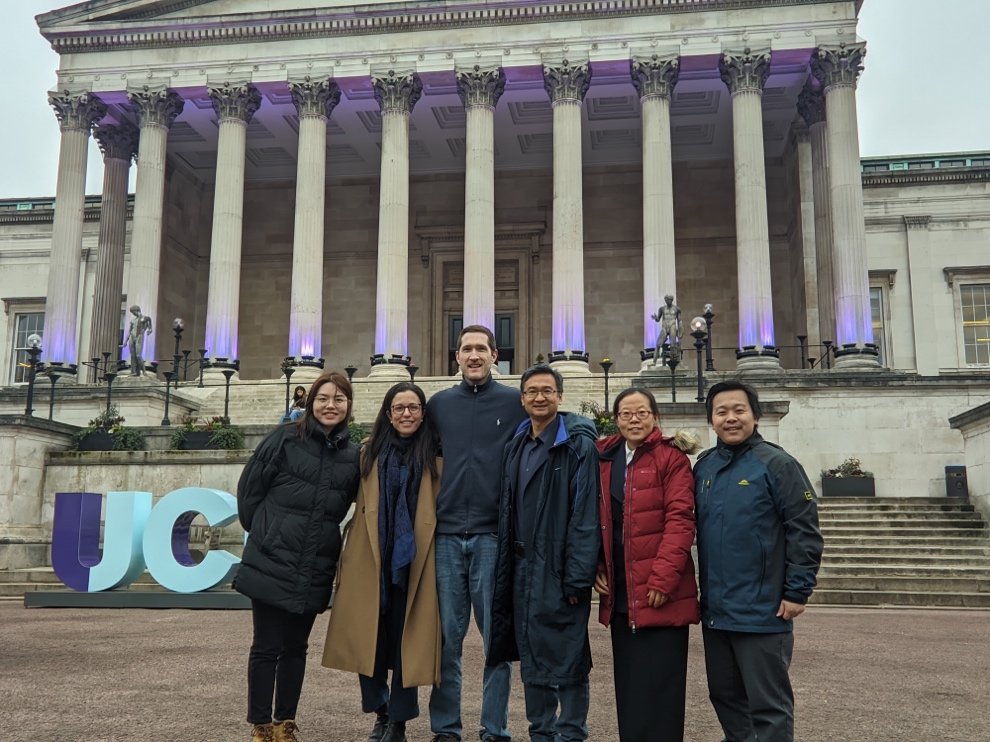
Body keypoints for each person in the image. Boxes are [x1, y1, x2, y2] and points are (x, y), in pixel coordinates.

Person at [234, 371, 361, 742]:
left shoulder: (352, 455)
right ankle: (260, 725)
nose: (330, 406)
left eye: (339, 399)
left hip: (316, 561)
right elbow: (249, 492)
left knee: (296, 648)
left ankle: (284, 722)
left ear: (349, 406)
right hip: (273, 556)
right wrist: (266, 532)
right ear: (310, 402)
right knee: (266, 646)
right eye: (323, 398)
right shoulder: (284, 439)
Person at [694, 380, 824, 742]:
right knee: (725, 696)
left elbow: (805, 530)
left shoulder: (778, 463)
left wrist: (798, 591)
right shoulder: (704, 467)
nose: (730, 418)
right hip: (717, 609)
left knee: (768, 705)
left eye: (739, 410)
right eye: (721, 412)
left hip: (763, 609)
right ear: (711, 419)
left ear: (755, 415)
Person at [323, 382, 443, 742]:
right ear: (388, 414)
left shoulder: (436, 457)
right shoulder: (366, 455)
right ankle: (381, 711)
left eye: (414, 407)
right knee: (369, 640)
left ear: (423, 414)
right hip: (371, 561)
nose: (406, 414)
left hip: (415, 562)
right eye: (399, 408)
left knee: (406, 643)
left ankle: (399, 722)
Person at [487, 364, 600, 742]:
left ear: (560, 396)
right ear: (522, 399)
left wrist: (578, 576)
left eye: (547, 391)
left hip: (558, 567)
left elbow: (585, 515)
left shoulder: (577, 444)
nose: (539, 397)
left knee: (567, 656)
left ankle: (571, 733)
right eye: (532, 391)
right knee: (531, 653)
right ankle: (541, 732)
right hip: (520, 566)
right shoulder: (517, 444)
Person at [426, 324, 527, 742]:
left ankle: (494, 728)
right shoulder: (438, 405)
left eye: (480, 349)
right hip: (446, 536)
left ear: (494, 354)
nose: (473, 355)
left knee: (495, 642)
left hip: (491, 536)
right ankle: (446, 728)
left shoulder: (515, 402)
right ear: (456, 357)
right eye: (466, 348)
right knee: (446, 641)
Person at [594, 387, 700, 742]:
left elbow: (681, 520)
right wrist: (598, 565)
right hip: (622, 586)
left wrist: (662, 580)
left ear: (655, 417)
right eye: (626, 414)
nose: (634, 420)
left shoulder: (671, 458)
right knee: (630, 683)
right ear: (616, 419)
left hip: (660, 588)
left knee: (663, 684)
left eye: (641, 413)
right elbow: (598, 518)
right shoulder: (606, 458)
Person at [651, 295, 681, 363]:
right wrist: (655, 318)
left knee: (673, 345)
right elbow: (658, 319)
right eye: (666, 300)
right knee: (658, 344)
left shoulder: (677, 309)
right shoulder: (662, 309)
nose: (667, 301)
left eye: (669, 300)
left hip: (672, 326)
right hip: (664, 327)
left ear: (671, 300)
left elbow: (679, 320)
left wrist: (680, 329)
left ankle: (674, 361)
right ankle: (654, 362)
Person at [126, 305, 152, 375]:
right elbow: (129, 331)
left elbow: (149, 326)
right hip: (132, 337)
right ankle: (134, 371)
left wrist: (149, 330)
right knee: (132, 355)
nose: (133, 313)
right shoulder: (133, 320)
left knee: (138, 355)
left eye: (133, 312)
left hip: (139, 336)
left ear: (136, 310)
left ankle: (144, 371)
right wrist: (125, 341)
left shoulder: (145, 318)